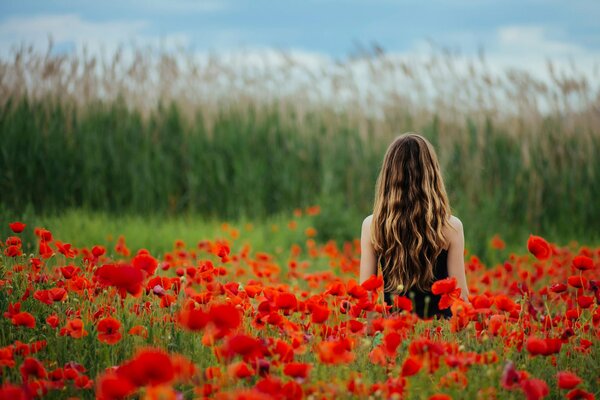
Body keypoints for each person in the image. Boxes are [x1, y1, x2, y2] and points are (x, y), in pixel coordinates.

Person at [359, 133, 469, 319]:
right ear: (431, 174)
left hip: (394, 333)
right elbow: (461, 298)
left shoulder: (373, 225)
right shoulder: (451, 227)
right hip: (438, 337)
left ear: (388, 175)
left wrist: (374, 339)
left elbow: (365, 299)